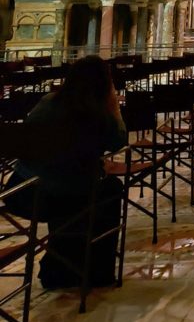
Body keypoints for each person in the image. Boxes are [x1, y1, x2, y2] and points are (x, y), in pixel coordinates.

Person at [4, 56, 126, 289]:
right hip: (64, 197)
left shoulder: (48, 102)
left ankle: (58, 266)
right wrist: (114, 108)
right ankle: (96, 271)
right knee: (109, 190)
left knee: (69, 187)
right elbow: (119, 141)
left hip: (22, 192)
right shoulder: (98, 115)